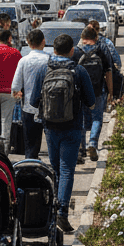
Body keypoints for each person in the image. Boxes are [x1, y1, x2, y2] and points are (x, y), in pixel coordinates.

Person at [29, 34, 96, 234]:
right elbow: (91, 102)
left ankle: (54, 208)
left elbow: (33, 102)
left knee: (56, 169)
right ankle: (63, 211)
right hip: (73, 127)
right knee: (67, 170)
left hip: (50, 128)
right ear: (72, 50)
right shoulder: (79, 71)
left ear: (54, 50)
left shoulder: (43, 70)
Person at [10, 28, 50, 159]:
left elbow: (15, 86)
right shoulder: (49, 60)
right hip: (49, 106)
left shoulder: (24, 61)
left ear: (28, 42)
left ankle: (30, 164)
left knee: (30, 142)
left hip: (28, 106)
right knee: (50, 139)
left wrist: (17, 94)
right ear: (43, 42)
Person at [76, 26, 112, 163]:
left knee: (82, 121)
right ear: (96, 38)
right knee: (97, 118)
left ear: (82, 38)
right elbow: (108, 72)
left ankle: (81, 149)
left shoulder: (77, 51)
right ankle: (93, 143)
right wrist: (111, 92)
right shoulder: (102, 49)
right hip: (98, 90)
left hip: (80, 93)